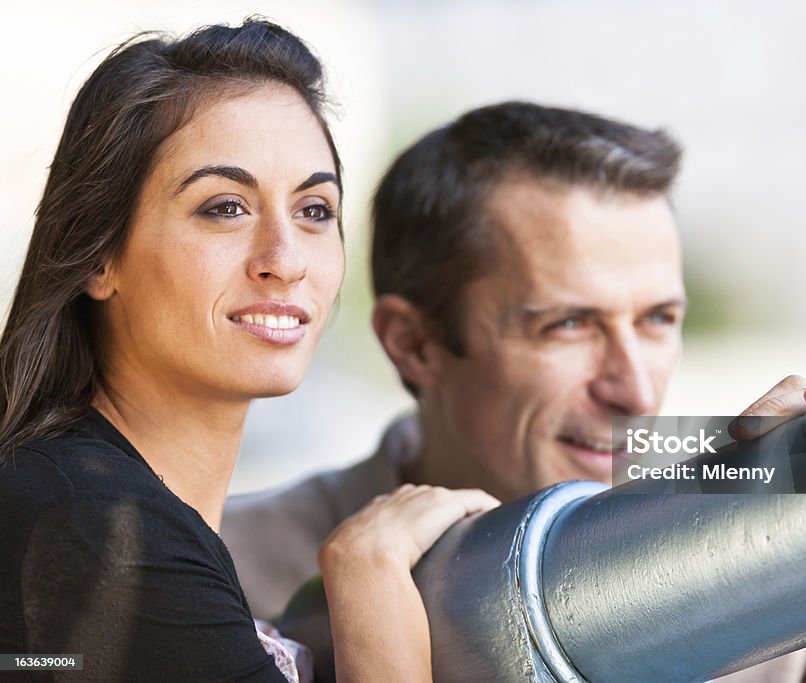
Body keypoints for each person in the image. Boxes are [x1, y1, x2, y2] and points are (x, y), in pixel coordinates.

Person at [222, 102, 806, 681]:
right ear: (413, 343)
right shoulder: (225, 574)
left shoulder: (773, 541)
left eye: (658, 319)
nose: (636, 386)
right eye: (569, 325)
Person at [0, 19, 497, 683]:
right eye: (226, 206)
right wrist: (370, 581)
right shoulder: (100, 529)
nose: (286, 261)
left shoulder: (90, 501)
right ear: (99, 255)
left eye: (315, 210)